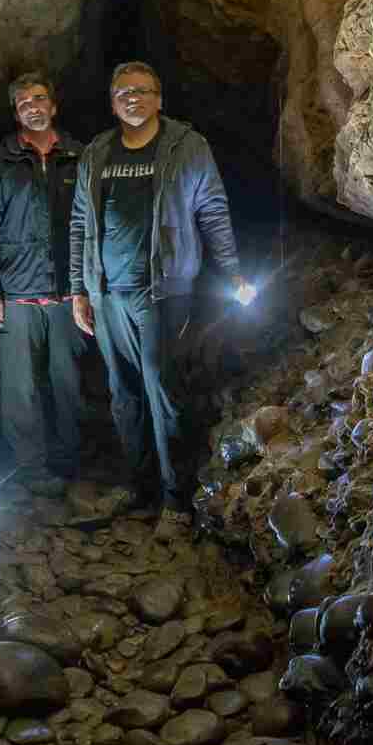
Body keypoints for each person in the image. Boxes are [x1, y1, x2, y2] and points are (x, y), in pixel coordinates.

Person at [67, 60, 249, 517]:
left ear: (159, 99)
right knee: (123, 393)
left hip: (162, 290)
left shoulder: (186, 147)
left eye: (143, 90)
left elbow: (213, 210)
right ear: (112, 103)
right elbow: (78, 225)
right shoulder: (98, 152)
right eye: (124, 91)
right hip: (107, 293)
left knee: (161, 388)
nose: (134, 97)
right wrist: (79, 289)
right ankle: (140, 486)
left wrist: (232, 271)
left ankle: (175, 497)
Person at [0, 70, 85, 495]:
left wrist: (87, 287)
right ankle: (32, 469)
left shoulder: (78, 154)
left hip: (67, 292)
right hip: (16, 291)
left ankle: (69, 461)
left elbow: (92, 225)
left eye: (40, 99)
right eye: (24, 103)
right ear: (16, 113)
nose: (33, 107)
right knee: (20, 389)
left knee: (68, 381)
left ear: (53, 106)